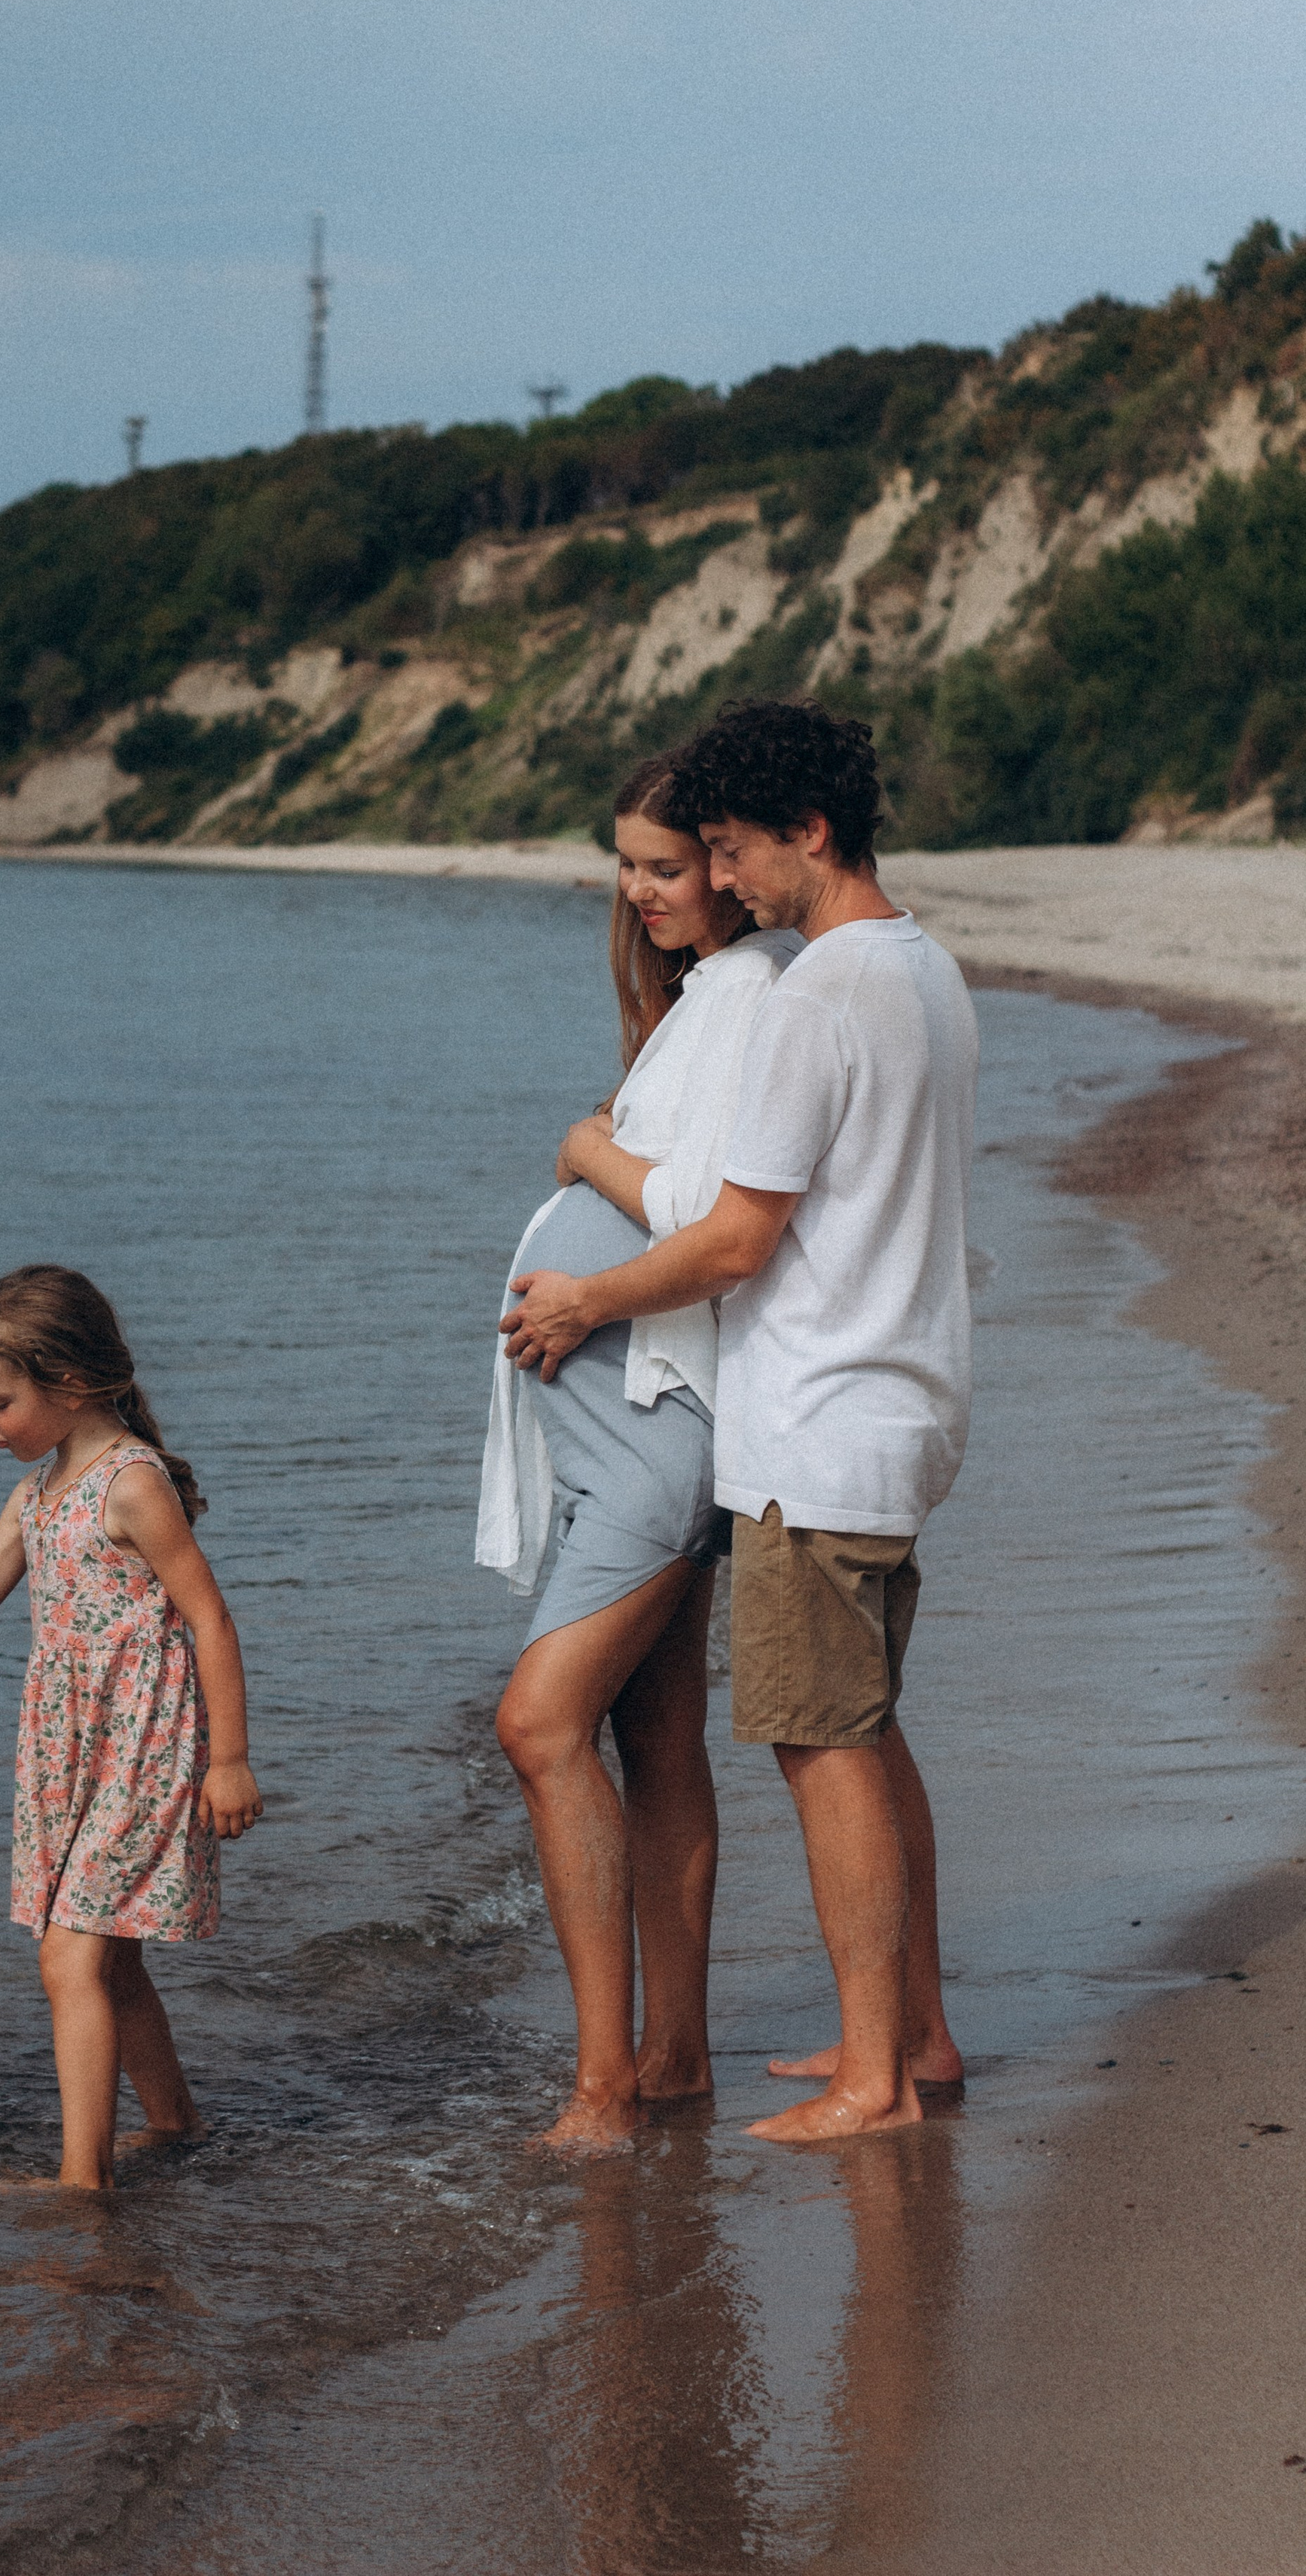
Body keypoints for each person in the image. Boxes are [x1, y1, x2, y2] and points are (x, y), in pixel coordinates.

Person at [504, 700, 975, 2143]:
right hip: (891, 1402)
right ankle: (916, 2041)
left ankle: (871, 2083)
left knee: (822, 1748)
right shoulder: (923, 970)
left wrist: (584, 1301)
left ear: (807, 834)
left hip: (818, 1421)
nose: (723, 882)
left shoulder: (821, 993)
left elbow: (728, 1238)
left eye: (729, 849)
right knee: (867, 1736)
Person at [479, 752, 801, 2151]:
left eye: (671, 865)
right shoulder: (695, 1002)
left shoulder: (750, 998)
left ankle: (603, 2086)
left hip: (658, 1435)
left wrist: (581, 1155)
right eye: (630, 865)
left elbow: (699, 1210)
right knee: (653, 1736)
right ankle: (674, 2060)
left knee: (537, 1725)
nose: (646, 889)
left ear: (732, 862)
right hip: (630, 1429)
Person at [0, 1266, 262, 2190]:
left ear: (70, 1385)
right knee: (107, 1956)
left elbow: (210, 1618)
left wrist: (231, 1761)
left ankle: (82, 2182)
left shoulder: (130, 1484)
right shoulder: (39, 1494)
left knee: (69, 1953)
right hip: (66, 1752)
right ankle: (174, 2121)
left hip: (141, 1748)